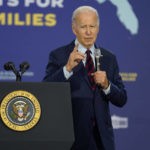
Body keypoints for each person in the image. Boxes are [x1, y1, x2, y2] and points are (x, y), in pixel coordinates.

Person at [43, 6, 127, 150]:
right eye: (83, 27)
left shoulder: (109, 58)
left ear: (98, 28)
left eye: (92, 26)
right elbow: (46, 90)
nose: (88, 32)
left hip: (102, 141)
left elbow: (121, 99)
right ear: (74, 29)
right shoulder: (59, 55)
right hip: (70, 139)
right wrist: (67, 69)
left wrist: (107, 85)